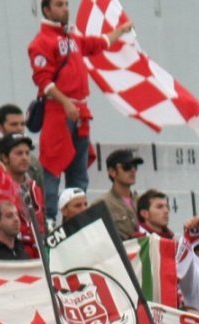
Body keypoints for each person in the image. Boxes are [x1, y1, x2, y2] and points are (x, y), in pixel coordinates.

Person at [26, 0, 132, 211]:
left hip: (79, 113)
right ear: (47, 10)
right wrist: (65, 102)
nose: (66, 8)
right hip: (58, 112)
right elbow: (43, 80)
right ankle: (49, 219)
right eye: (59, 5)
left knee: (79, 172)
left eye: (66, 4)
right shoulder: (41, 42)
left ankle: (78, 215)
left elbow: (98, 43)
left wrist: (120, 31)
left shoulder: (71, 37)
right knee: (53, 168)